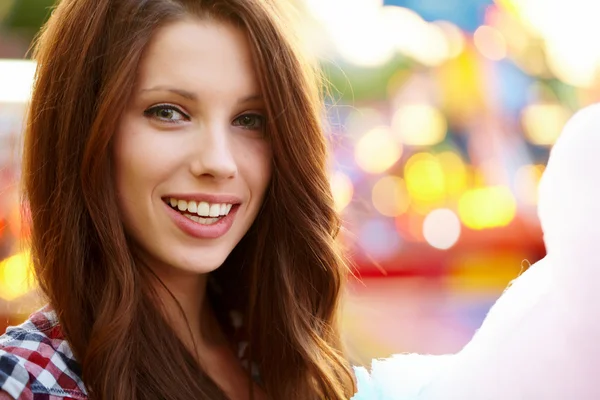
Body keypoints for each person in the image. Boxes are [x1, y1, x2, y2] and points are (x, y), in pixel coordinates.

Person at [0, 0, 356, 398]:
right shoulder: (30, 383)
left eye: (250, 119)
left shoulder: (282, 349)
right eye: (168, 112)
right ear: (84, 127)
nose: (219, 163)